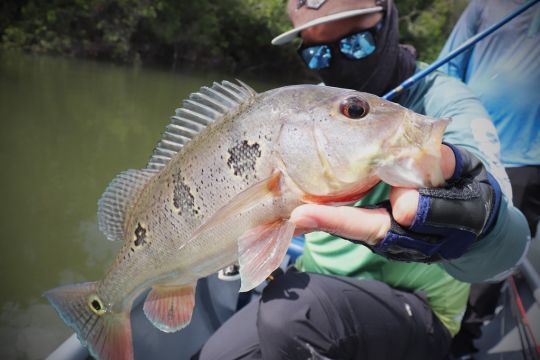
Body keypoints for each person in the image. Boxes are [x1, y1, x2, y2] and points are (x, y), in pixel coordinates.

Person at [195, 0, 530, 359]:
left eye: (357, 44)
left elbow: (509, 250)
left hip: (417, 308)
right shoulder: (305, 109)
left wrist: (484, 224)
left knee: (289, 315)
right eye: (319, 54)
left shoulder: (445, 101)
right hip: (314, 280)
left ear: (388, 23)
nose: (338, 63)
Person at [437, 1, 540, 357]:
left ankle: (463, 340)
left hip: (530, 159)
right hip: (465, 148)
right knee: (440, 235)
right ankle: (431, 322)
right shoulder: (485, 5)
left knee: (494, 254)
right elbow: (448, 66)